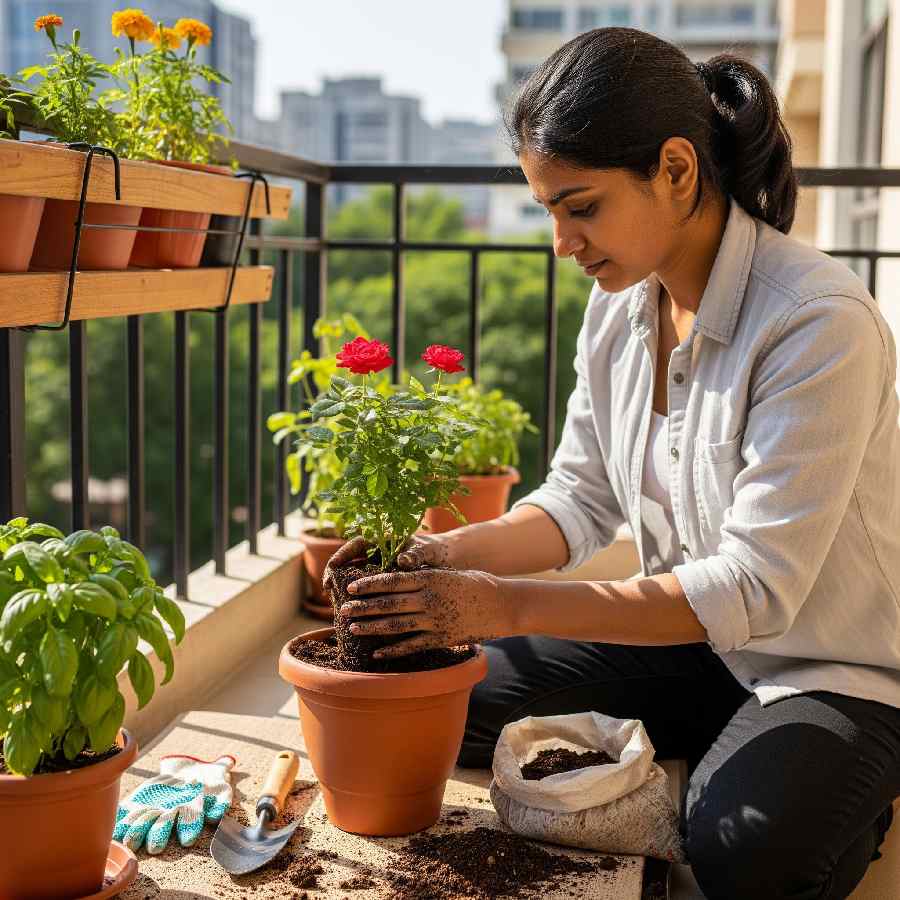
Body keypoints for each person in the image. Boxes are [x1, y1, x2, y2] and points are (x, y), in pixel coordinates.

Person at [323, 27, 900, 900]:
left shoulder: (816, 322)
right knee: (450, 689)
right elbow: (577, 499)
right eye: (549, 210)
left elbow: (753, 588)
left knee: (744, 851)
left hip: (834, 669)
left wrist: (504, 602)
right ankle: (725, 752)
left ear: (676, 170)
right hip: (699, 645)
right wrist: (435, 558)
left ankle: (839, 790)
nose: (562, 242)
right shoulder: (620, 309)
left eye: (581, 206)